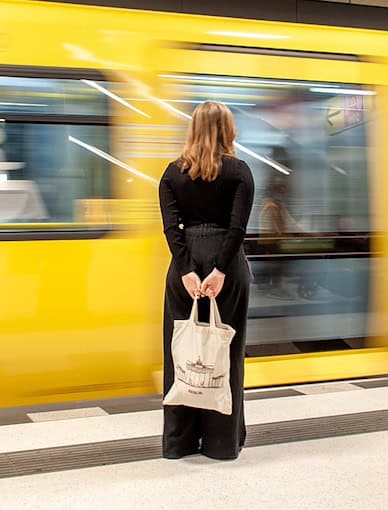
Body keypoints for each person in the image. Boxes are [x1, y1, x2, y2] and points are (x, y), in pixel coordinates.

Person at [158, 101, 254, 460]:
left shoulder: (171, 174)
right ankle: (220, 443)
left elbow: (171, 228)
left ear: (193, 129)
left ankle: (179, 442)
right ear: (227, 130)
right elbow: (238, 228)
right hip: (226, 265)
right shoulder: (240, 172)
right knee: (226, 352)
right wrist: (221, 271)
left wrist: (186, 271)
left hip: (183, 268)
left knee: (181, 352)